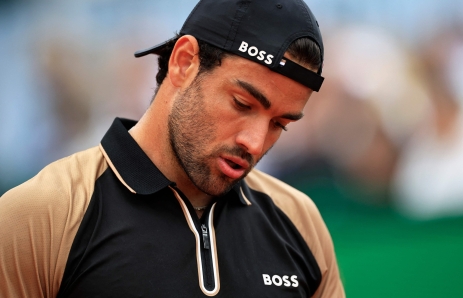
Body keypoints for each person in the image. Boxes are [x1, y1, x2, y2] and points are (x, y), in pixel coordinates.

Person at [0, 0, 345, 297]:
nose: (255, 143)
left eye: (279, 124)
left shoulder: (301, 222)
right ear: (184, 62)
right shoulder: (40, 216)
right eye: (242, 104)